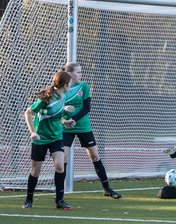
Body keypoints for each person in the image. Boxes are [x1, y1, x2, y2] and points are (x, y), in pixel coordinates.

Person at [62, 62, 121, 199]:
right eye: (78, 72)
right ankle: (60, 194)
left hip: (83, 126)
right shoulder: (61, 88)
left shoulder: (84, 86)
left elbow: (86, 108)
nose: (81, 75)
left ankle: (107, 188)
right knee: (62, 159)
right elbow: (56, 105)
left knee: (94, 156)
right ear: (70, 73)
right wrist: (65, 116)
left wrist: (74, 120)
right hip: (65, 127)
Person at [22, 71, 75, 209]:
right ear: (65, 85)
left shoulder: (63, 97)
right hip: (40, 138)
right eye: (70, 83)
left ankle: (59, 200)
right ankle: (29, 200)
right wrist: (33, 132)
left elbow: (57, 117)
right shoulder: (46, 99)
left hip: (56, 137)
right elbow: (28, 112)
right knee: (35, 171)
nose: (71, 85)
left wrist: (65, 122)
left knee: (60, 166)